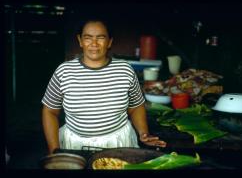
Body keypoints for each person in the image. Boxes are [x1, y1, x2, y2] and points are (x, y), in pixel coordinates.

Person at [41, 18, 167, 154]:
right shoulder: (64, 71)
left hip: (119, 142)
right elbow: (50, 111)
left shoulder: (124, 70)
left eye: (100, 38)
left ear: (109, 42)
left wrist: (144, 133)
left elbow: (136, 106)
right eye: (88, 38)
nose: (94, 44)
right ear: (80, 41)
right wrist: (54, 150)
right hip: (75, 144)